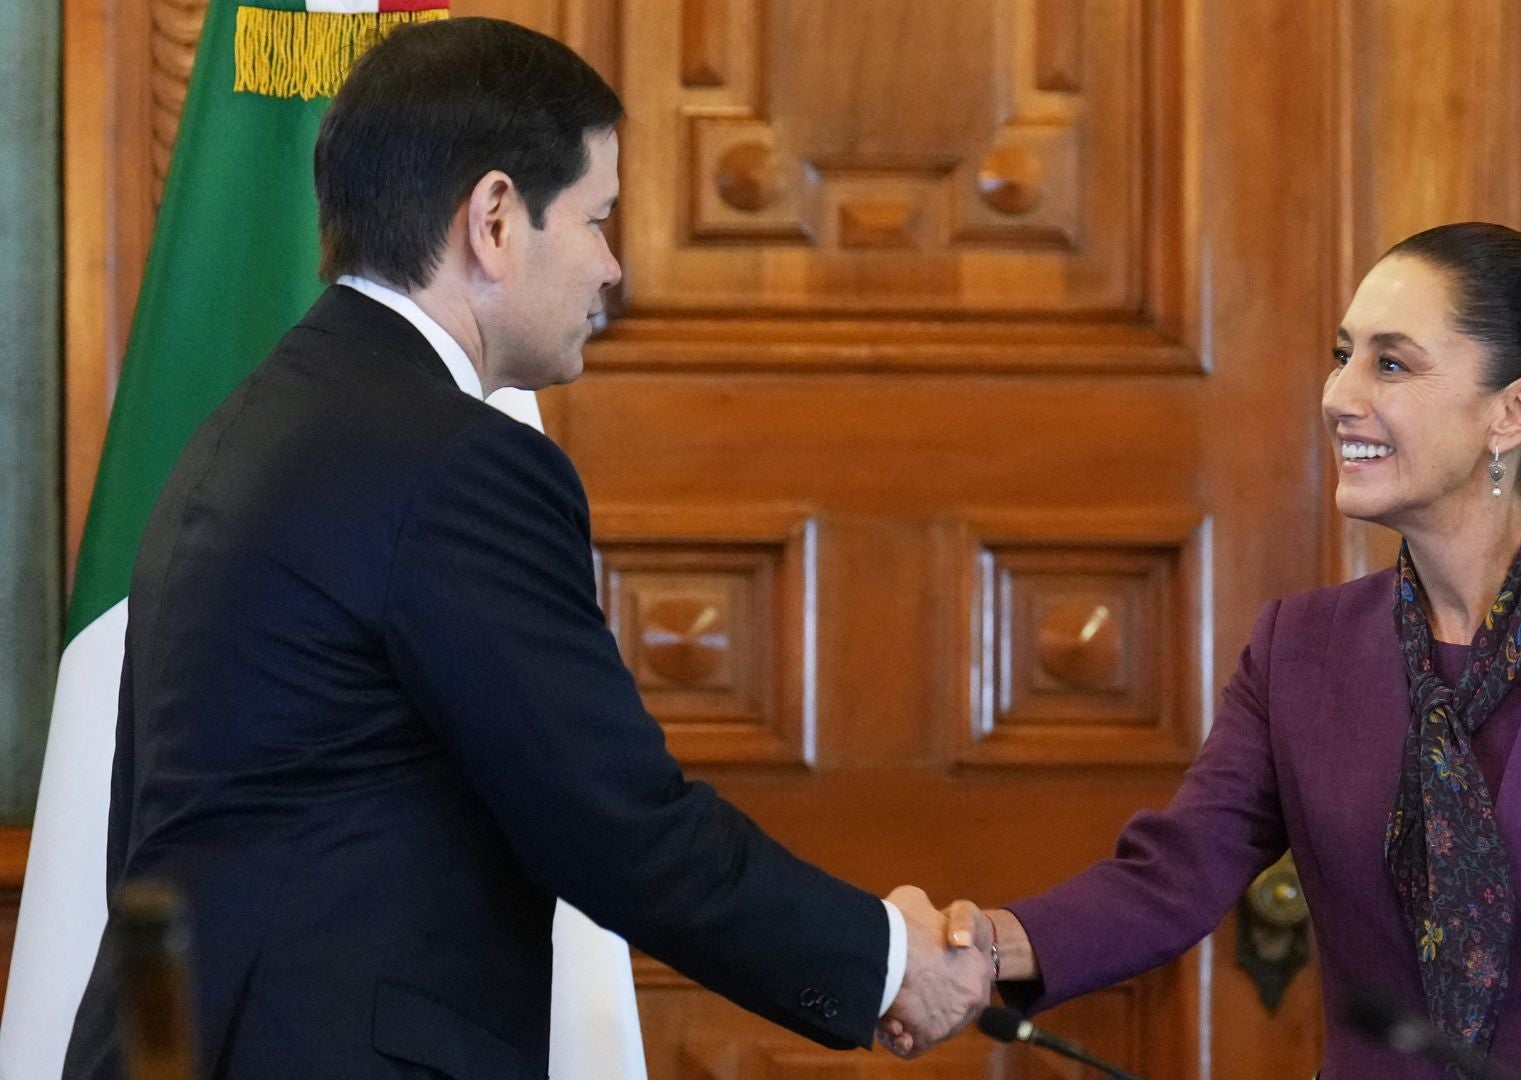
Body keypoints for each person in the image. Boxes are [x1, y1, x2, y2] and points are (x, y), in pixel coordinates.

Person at [61, 19, 988, 1078]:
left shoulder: (249, 426)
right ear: (495, 219)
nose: (612, 266)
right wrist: (884, 963)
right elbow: (620, 826)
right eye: (597, 218)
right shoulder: (454, 465)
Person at [907, 223, 1521, 1077]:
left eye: (1390, 363)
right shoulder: (1298, 648)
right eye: (1344, 356)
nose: (1340, 396)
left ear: (1515, 410)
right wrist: (978, 947)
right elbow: (1169, 881)